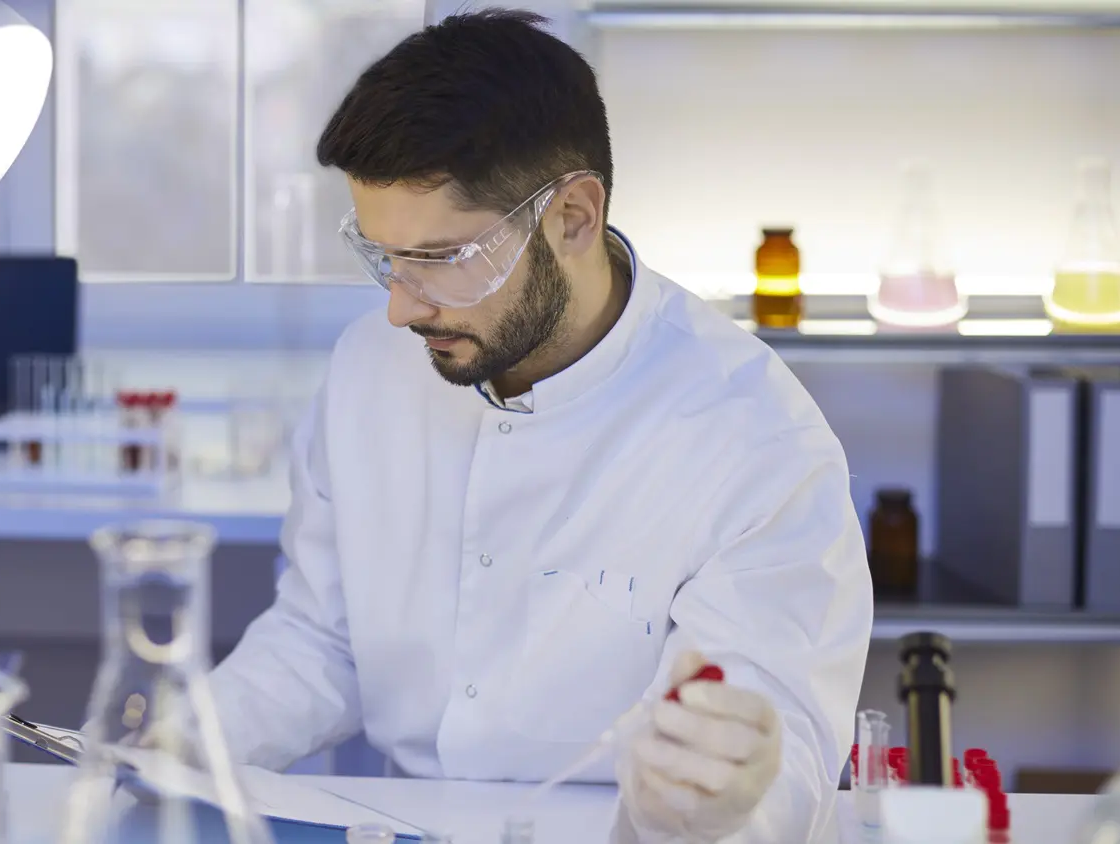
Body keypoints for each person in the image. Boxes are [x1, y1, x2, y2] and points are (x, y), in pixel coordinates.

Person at [207, 8, 873, 842]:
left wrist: (710, 796)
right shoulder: (367, 371)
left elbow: (776, 743)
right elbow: (322, 638)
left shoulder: (753, 438)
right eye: (383, 255)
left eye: (442, 259)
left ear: (572, 218)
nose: (399, 306)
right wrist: (182, 743)